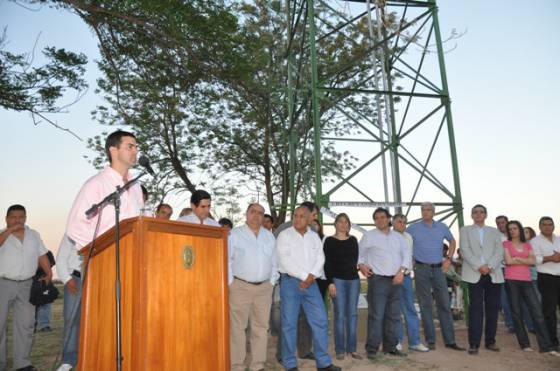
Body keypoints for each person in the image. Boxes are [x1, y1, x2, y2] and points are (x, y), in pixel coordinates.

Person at [60, 130, 144, 371]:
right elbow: (75, 226)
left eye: (136, 146)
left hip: (132, 263)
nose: (135, 150)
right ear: (113, 150)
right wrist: (98, 252)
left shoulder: (136, 187)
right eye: (130, 146)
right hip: (104, 264)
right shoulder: (96, 185)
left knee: (129, 320)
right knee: (102, 323)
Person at [276, 206, 340, 371]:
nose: (297, 219)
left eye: (301, 216)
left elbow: (320, 258)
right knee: (289, 324)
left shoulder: (314, 237)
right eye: (295, 216)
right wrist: (306, 276)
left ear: (309, 219)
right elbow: (284, 260)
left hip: (311, 285)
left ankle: (323, 363)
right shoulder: (284, 235)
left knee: (320, 321)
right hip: (290, 283)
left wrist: (310, 277)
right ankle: (290, 364)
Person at [0, 204, 52, 371]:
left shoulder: (33, 235)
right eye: (14, 217)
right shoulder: (2, 234)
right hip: (3, 283)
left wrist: (49, 273)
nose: (18, 220)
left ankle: (22, 364)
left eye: (21, 217)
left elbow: (42, 254)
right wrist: (9, 231)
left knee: (26, 324)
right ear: (6, 218)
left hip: (27, 285)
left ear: (26, 218)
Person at [406, 202, 464, 351]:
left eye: (428, 210)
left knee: (444, 304)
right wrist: (410, 259)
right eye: (423, 210)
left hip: (439, 269)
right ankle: (430, 340)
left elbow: (452, 241)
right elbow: (403, 242)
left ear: (434, 212)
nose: (425, 212)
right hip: (421, 269)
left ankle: (450, 341)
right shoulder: (413, 228)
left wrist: (449, 259)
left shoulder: (442, 227)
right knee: (426, 306)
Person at [228, 203, 277, 371]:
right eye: (253, 212)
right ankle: (237, 365)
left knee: (261, 328)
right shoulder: (235, 234)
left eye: (260, 213)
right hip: (240, 287)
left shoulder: (269, 237)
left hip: (264, 288)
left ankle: (258, 365)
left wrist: (272, 282)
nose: (256, 216)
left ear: (263, 217)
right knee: (237, 328)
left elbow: (275, 261)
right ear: (246, 213)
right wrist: (230, 283)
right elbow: (227, 260)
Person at [358, 208, 410, 360]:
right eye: (376, 218)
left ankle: (390, 347)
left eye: (382, 217)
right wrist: (361, 265)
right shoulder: (369, 236)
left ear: (389, 219)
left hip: (396, 280)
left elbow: (407, 255)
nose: (379, 220)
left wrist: (401, 272)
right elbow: (359, 254)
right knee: (377, 315)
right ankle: (372, 349)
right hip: (378, 280)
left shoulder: (399, 238)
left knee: (393, 316)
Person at [503, 220, 559, 356]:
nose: (512, 231)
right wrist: (523, 260)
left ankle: (546, 346)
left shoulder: (528, 245)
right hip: (511, 280)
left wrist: (517, 258)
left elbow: (533, 261)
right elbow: (508, 261)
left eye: (515, 228)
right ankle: (524, 344)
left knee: (537, 313)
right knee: (517, 313)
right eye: (510, 229)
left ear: (520, 230)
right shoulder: (506, 244)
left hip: (527, 280)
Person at [274, 201, 319, 361]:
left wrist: (311, 276)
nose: (314, 218)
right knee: (288, 319)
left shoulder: (312, 231)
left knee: (306, 317)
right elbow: (280, 256)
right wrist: (302, 275)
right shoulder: (284, 229)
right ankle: (283, 354)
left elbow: (317, 256)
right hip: (289, 279)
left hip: (308, 281)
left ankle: (305, 350)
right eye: (313, 215)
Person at [459, 204, 504, 355]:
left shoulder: (494, 231)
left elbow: (499, 251)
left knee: (492, 309)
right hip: (474, 273)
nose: (478, 214)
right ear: (472, 215)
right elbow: (465, 250)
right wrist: (480, 266)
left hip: (493, 273)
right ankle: (474, 343)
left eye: (481, 212)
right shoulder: (465, 230)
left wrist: (489, 266)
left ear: (486, 215)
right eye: (475, 212)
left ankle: (490, 341)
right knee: (475, 309)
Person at [324, 213, 362, 360]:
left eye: (346, 222)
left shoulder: (353, 240)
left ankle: (352, 349)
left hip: (354, 281)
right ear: (335, 224)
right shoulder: (329, 241)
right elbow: (328, 264)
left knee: (352, 315)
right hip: (337, 281)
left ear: (349, 225)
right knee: (339, 315)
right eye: (340, 221)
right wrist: (330, 283)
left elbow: (354, 260)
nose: (343, 224)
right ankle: (340, 349)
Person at [392, 214, 429, 353]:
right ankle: (397, 341)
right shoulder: (388, 236)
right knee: (395, 310)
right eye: (399, 222)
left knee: (410, 309)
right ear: (393, 223)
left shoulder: (408, 237)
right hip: (392, 278)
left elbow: (410, 256)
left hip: (406, 277)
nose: (402, 224)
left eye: (404, 222)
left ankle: (415, 342)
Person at [530, 217, 560, 350]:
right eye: (544, 225)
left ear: (553, 226)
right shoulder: (535, 241)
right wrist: (551, 258)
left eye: (550, 224)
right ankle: (552, 342)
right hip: (547, 278)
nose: (548, 227)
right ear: (540, 227)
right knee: (549, 311)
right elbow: (534, 259)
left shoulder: (559, 239)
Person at [56, 235, 82, 371]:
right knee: (71, 320)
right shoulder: (72, 232)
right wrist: (67, 279)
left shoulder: (104, 228)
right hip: (75, 279)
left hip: (99, 276)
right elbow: (60, 258)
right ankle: (68, 361)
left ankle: (91, 355)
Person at [496, 215, 514, 333]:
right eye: (498, 223)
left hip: (518, 269)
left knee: (519, 297)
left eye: (503, 222)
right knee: (505, 298)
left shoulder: (516, 235)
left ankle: (527, 323)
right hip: (501, 269)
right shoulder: (495, 237)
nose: (501, 225)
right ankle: (510, 324)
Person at [35, 251, 56, 332]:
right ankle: (32, 325)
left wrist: (43, 265)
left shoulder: (48, 253)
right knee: (33, 304)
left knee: (46, 303)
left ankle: (45, 325)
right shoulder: (29, 251)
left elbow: (51, 263)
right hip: (32, 281)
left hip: (45, 281)